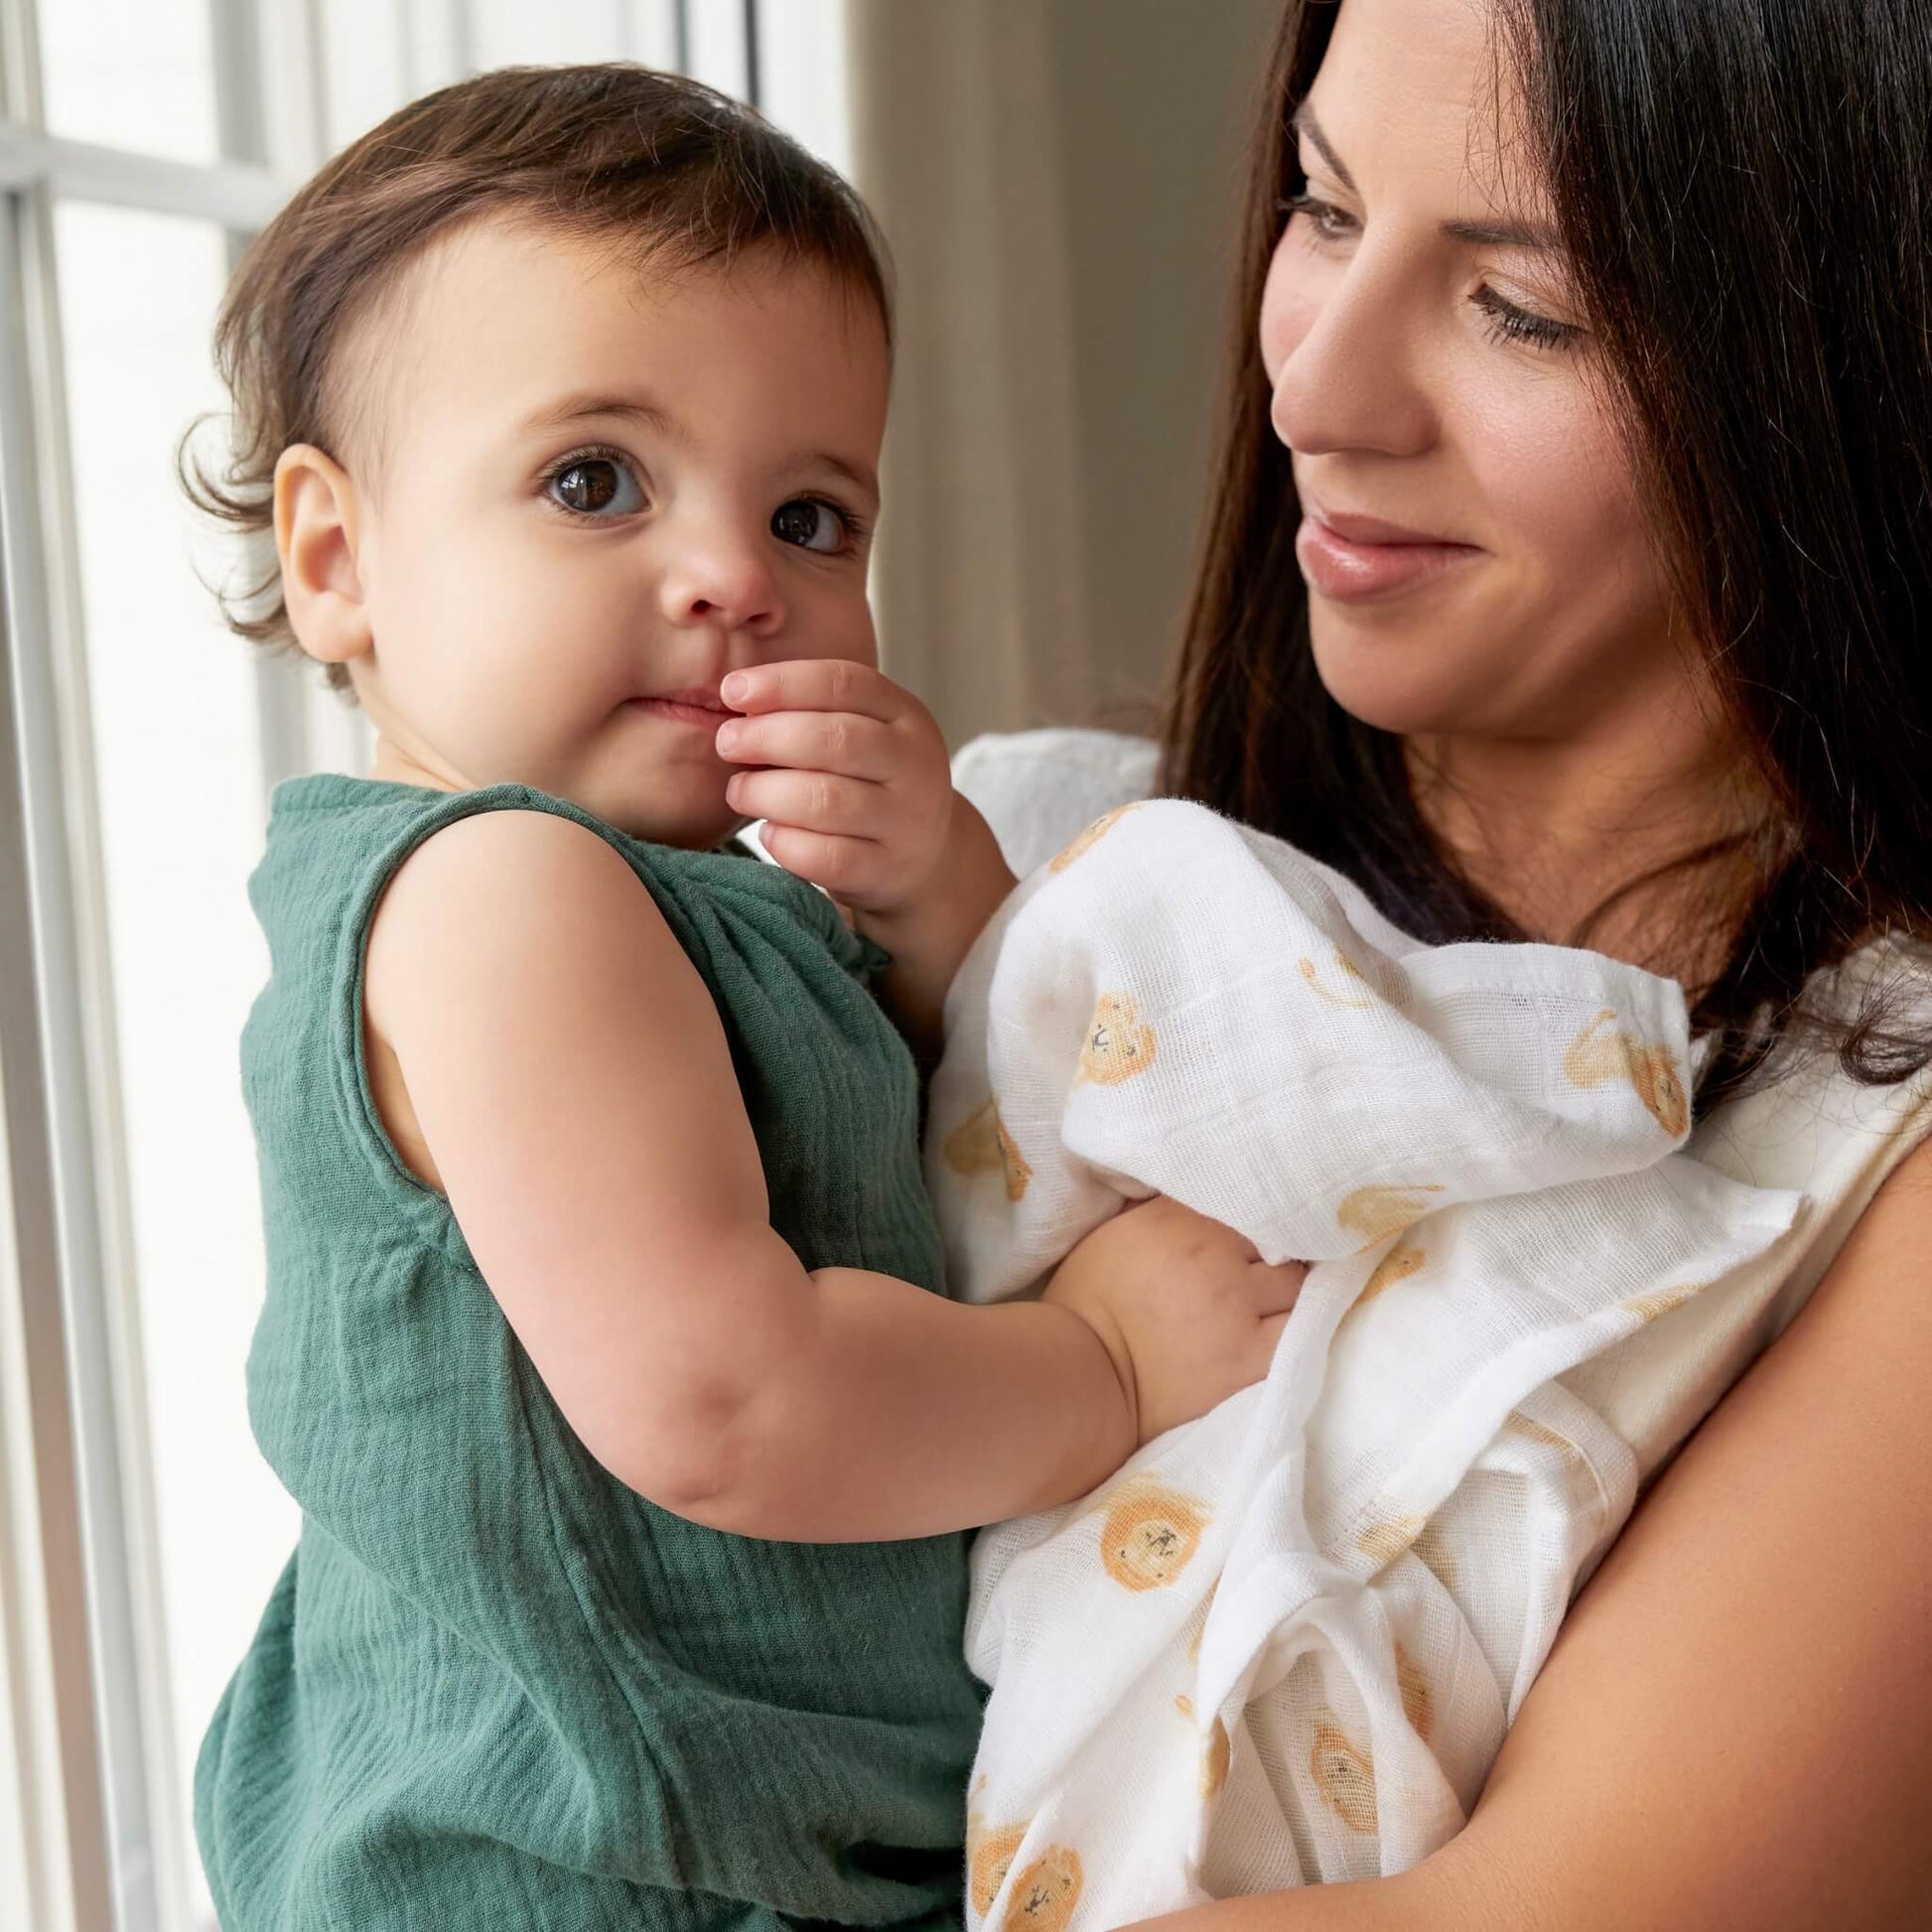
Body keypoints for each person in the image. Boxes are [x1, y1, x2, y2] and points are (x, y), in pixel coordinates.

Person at [183, 66, 1304, 1932]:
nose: (730, 579)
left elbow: (987, 1113)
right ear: (337, 558)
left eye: (809, 516)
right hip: (571, 1865)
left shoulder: (689, 898)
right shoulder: (501, 892)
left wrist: (941, 889)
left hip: (721, 1832)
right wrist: (1100, 1370)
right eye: (593, 482)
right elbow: (724, 1397)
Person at [953, 0, 1932, 1922]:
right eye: (1323, 208)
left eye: (1522, 309)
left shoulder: (1875, 1160)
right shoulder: (1026, 869)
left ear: (1837, 358)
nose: (1315, 390)